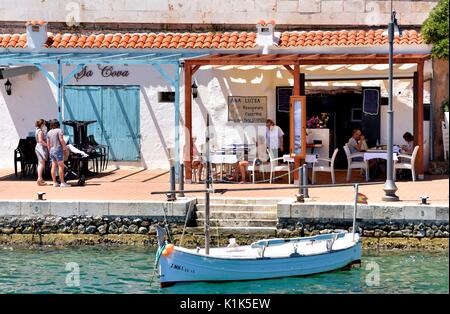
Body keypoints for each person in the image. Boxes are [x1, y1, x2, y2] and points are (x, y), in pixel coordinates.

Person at [47, 120, 70, 187]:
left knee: (53, 166)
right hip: (58, 149)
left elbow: (48, 144)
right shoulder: (59, 130)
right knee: (61, 166)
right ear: (57, 124)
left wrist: (49, 151)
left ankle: (54, 182)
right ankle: (62, 182)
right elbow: (61, 140)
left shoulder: (49, 132)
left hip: (52, 150)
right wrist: (65, 148)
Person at [34, 119, 48, 186]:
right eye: (44, 124)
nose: (45, 125)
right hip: (41, 148)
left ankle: (40, 178)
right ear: (42, 124)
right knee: (41, 164)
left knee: (40, 163)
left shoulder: (37, 130)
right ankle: (39, 179)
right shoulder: (40, 131)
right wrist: (47, 145)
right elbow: (40, 141)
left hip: (38, 147)